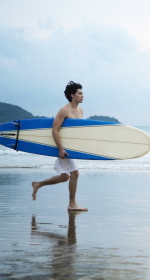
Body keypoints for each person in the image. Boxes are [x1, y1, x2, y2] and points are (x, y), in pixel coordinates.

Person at [32, 81, 88, 211]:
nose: (82, 96)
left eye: (82, 93)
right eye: (80, 93)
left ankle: (38, 184)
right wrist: (60, 149)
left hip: (70, 148)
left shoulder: (80, 111)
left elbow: (75, 132)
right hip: (63, 148)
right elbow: (55, 129)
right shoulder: (64, 110)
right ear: (72, 95)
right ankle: (72, 204)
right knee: (75, 174)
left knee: (64, 177)